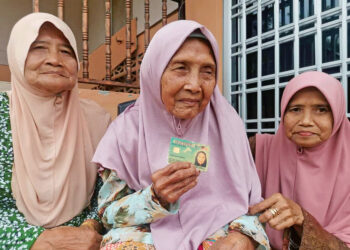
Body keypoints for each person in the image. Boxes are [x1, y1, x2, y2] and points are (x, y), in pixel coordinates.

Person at [93, 20, 270, 250]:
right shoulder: (126, 131)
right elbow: (107, 214)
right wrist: (154, 197)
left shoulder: (227, 124)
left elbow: (253, 204)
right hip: (149, 234)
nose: (195, 85)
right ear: (155, 70)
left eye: (207, 72)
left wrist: (243, 237)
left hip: (219, 234)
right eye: (181, 68)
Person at [0, 13, 110, 249]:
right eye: (38, 48)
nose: (55, 60)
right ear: (17, 55)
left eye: (66, 52)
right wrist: (35, 240)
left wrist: (90, 227)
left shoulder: (98, 119)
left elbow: (108, 192)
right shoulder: (1, 113)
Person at [248, 71, 350, 249]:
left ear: (337, 114)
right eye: (295, 109)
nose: (306, 121)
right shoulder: (259, 150)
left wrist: (303, 221)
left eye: (321, 110)